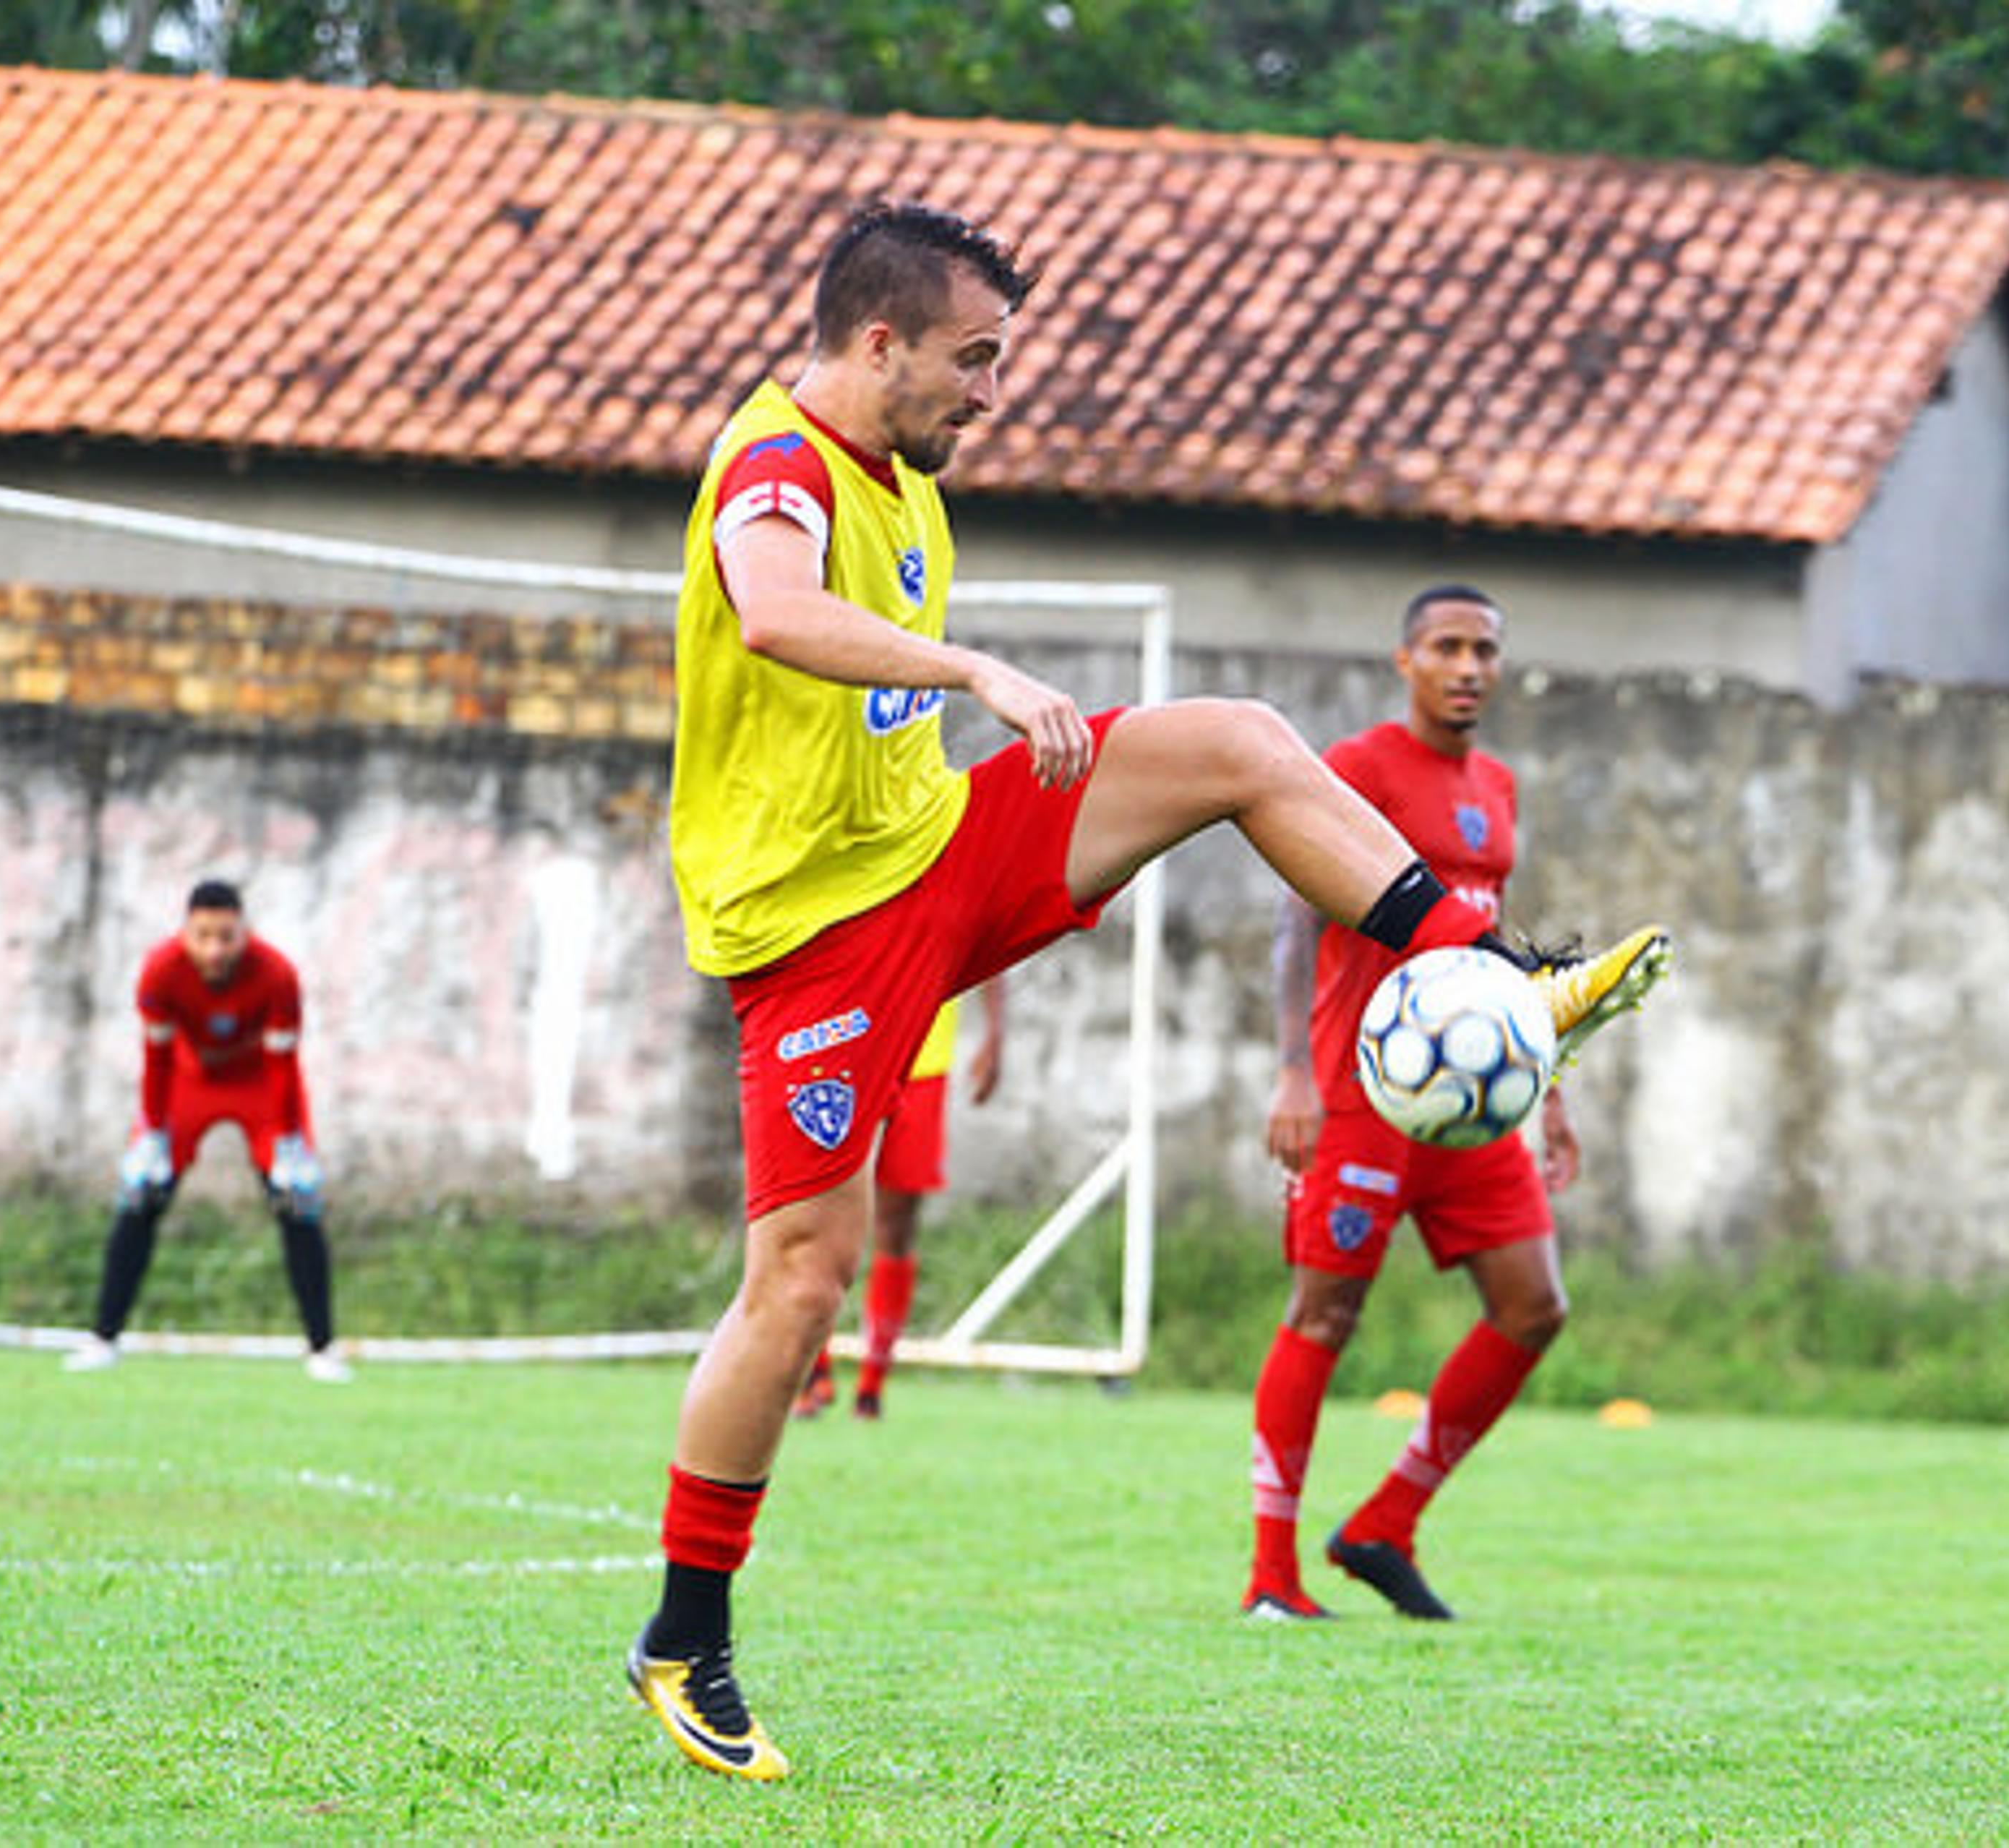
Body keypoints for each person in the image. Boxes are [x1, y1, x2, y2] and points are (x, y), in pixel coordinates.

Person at [627, 197, 1669, 1783]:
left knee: (1235, 744)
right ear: (878, 338)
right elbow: (773, 612)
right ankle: (683, 1638)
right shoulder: (778, 462)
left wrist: (1060, 860)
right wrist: (976, 672)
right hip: (813, 939)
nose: (991, 392)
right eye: (973, 362)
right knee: (798, 1287)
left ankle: (1488, 972)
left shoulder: (907, 477)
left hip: (938, 856)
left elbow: (891, 724)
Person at [1245, 585, 1585, 1623]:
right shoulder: (1359, 769)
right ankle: (1271, 1577)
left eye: (1487, 648)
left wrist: (1554, 1086)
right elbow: (1295, 921)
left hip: (1474, 1108)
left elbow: (1493, 958)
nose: (1470, 666)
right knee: (1326, 1313)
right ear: (1407, 661)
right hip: (1360, 1094)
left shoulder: (1499, 786)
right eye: (1448, 647)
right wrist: (1294, 1070)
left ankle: (1386, 1523)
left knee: (1535, 1307)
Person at [63, 880, 348, 1385]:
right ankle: (103, 1338)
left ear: (244, 934)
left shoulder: (277, 974)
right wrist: (152, 1130)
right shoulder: (161, 970)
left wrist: (286, 1140)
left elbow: (284, 1062)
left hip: (260, 1084)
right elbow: (156, 1056)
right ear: (186, 933)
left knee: (297, 1200)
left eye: (227, 937)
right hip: (188, 1083)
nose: (215, 950)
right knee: (140, 1198)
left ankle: (323, 1348)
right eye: (204, 936)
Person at [794, 975, 1006, 1421]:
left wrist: (995, 1032)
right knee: (822, 1213)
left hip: (924, 1066)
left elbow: (986, 919)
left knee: (897, 1223)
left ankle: (872, 1386)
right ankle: (815, 1372)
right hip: (849, 1050)